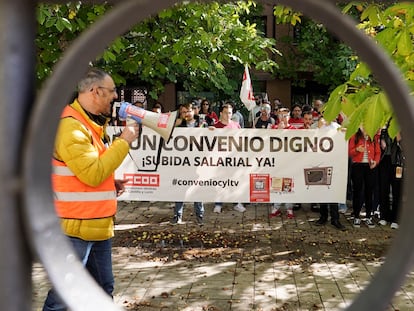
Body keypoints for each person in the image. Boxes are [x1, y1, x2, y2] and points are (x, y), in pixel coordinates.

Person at [43, 68, 139, 311]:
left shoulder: (89, 125)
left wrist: (110, 182)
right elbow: (92, 173)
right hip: (75, 229)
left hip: (94, 226)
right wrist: (124, 141)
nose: (116, 97)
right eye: (112, 91)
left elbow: (91, 171)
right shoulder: (71, 128)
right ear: (95, 92)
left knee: (102, 290)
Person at [172, 102, 205, 225]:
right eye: (183, 112)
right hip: (183, 162)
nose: (186, 114)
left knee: (197, 189)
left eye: (188, 111)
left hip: (197, 162)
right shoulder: (180, 125)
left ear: (193, 111)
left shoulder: (202, 123)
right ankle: (177, 215)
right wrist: (176, 124)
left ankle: (200, 215)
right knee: (180, 188)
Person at [212, 102, 246, 213]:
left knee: (235, 180)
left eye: (230, 113)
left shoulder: (236, 125)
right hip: (220, 158)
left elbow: (241, 141)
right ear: (221, 113)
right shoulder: (215, 126)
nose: (228, 115)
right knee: (220, 181)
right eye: (226, 113)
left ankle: (237, 203)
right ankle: (218, 204)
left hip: (233, 158)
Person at [348, 127, 381, 228]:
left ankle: (368, 216)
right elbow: (349, 152)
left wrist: (375, 161)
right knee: (357, 191)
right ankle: (356, 216)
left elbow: (378, 152)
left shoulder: (373, 137)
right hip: (358, 166)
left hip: (370, 167)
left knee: (369, 191)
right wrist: (357, 149)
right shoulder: (354, 136)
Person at [269, 107, 295, 219]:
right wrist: (278, 131)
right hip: (277, 162)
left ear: (289, 117)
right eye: (281, 115)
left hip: (290, 162)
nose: (283, 118)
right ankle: (276, 207)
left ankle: (289, 208)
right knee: (277, 184)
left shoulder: (294, 129)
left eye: (285, 115)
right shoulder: (273, 128)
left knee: (289, 184)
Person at [378, 127, 404, 229]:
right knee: (383, 189)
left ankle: (396, 219)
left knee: (397, 190)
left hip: (397, 163)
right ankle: (384, 216)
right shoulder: (384, 130)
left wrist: (399, 138)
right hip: (385, 161)